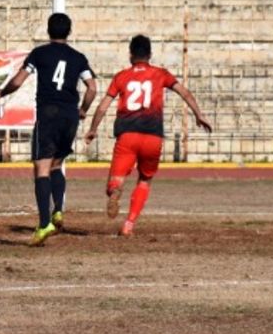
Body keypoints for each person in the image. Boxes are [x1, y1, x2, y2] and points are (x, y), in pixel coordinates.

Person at [83, 35, 212, 237]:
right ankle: (129, 225)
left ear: (130, 54)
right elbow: (184, 92)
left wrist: (92, 129)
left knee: (115, 182)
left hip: (127, 136)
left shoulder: (121, 77)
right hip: (153, 136)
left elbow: (103, 106)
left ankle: (116, 190)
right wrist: (199, 115)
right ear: (150, 55)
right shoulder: (161, 74)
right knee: (144, 179)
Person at [0, 13, 98, 246]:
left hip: (48, 114)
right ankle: (57, 210)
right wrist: (83, 109)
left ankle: (43, 225)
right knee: (57, 165)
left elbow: (18, 81)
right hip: (70, 116)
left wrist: (1, 92)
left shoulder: (39, 53)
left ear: (48, 31)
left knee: (41, 168)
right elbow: (92, 87)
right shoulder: (78, 57)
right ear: (69, 32)